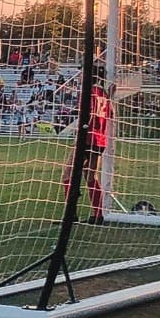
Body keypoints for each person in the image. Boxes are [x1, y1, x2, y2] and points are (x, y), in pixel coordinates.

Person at [62, 77, 113, 225]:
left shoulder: (89, 92)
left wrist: (80, 134)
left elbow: (88, 114)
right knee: (90, 176)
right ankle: (98, 215)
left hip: (87, 137)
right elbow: (110, 114)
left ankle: (71, 214)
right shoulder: (103, 93)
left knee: (67, 174)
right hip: (100, 139)